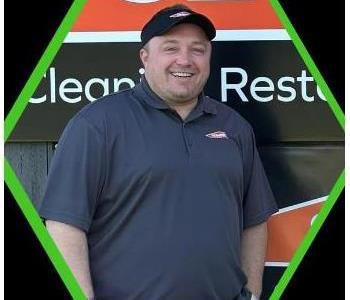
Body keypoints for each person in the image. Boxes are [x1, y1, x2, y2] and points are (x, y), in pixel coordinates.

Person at [39, 4, 279, 300]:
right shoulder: (96, 125)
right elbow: (64, 225)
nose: (185, 59)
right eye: (170, 48)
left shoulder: (235, 127)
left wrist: (252, 294)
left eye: (197, 49)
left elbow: (253, 221)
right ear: (145, 56)